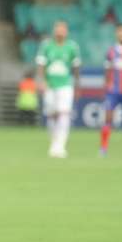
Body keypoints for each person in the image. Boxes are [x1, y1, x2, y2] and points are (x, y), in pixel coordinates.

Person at [35, 20, 81, 158]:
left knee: (64, 113)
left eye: (62, 29)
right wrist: (41, 81)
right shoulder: (46, 46)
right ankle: (54, 143)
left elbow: (76, 68)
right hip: (49, 84)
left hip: (66, 85)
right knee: (51, 114)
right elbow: (41, 65)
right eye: (58, 29)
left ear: (66, 31)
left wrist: (77, 85)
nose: (60, 31)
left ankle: (61, 145)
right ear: (54, 31)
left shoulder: (72, 47)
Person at [99, 23, 122, 156]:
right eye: (119, 32)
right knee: (108, 118)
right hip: (113, 91)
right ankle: (103, 148)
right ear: (116, 34)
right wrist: (106, 86)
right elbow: (107, 70)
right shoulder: (111, 51)